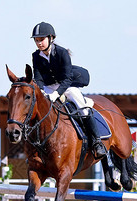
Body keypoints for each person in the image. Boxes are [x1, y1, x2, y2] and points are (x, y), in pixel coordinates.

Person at [31, 22, 106, 159]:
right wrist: (41, 91)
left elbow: (67, 78)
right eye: (36, 40)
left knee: (83, 108)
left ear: (51, 38)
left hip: (66, 86)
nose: (39, 43)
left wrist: (57, 93)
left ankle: (97, 142)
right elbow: (38, 78)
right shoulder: (36, 56)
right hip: (48, 87)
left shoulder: (62, 53)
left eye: (41, 39)